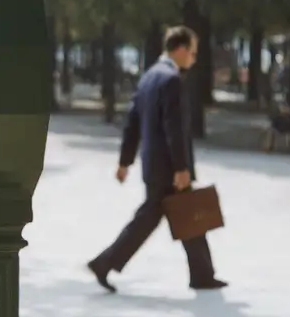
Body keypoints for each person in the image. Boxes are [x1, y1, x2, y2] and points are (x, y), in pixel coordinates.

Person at [86, 25, 226, 294]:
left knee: (185, 212)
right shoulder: (170, 79)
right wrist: (182, 167)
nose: (194, 59)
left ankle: (202, 274)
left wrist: (125, 161)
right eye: (193, 53)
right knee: (160, 215)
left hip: (154, 165)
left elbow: (132, 123)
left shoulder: (149, 77)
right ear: (182, 49)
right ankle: (105, 263)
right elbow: (174, 128)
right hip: (169, 168)